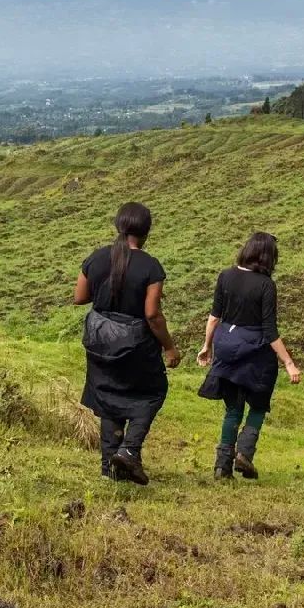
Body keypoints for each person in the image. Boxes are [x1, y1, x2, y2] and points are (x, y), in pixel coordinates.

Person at [74, 202, 181, 485]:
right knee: (153, 391)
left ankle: (110, 469)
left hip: (99, 340)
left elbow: (79, 297)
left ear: (118, 226)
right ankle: (130, 449)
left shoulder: (96, 258)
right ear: (146, 232)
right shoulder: (150, 266)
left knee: (108, 397)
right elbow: (152, 314)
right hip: (135, 344)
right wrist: (169, 347)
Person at [196, 232, 301, 480]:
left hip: (227, 346)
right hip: (256, 351)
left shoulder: (226, 275)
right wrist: (288, 363)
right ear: (267, 257)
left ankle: (222, 467)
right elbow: (270, 330)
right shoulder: (266, 285)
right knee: (258, 403)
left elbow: (214, 317)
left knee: (233, 409)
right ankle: (244, 453)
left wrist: (206, 346)